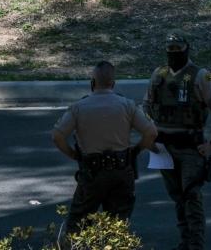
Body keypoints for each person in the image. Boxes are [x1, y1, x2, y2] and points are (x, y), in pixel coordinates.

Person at [144, 33, 211, 250]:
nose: (173, 52)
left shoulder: (202, 76)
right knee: (178, 198)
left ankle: (195, 245)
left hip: (191, 148)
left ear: (187, 49)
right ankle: (185, 242)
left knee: (191, 197)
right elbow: (146, 106)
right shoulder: (158, 74)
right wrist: (149, 135)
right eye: (170, 48)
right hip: (163, 148)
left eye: (177, 48)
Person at [52, 61, 158, 237]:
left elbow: (57, 136)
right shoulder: (127, 105)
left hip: (92, 173)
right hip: (121, 171)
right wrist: (136, 150)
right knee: (117, 228)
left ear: (92, 83)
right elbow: (151, 133)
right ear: (113, 84)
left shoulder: (79, 107)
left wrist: (73, 155)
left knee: (78, 226)